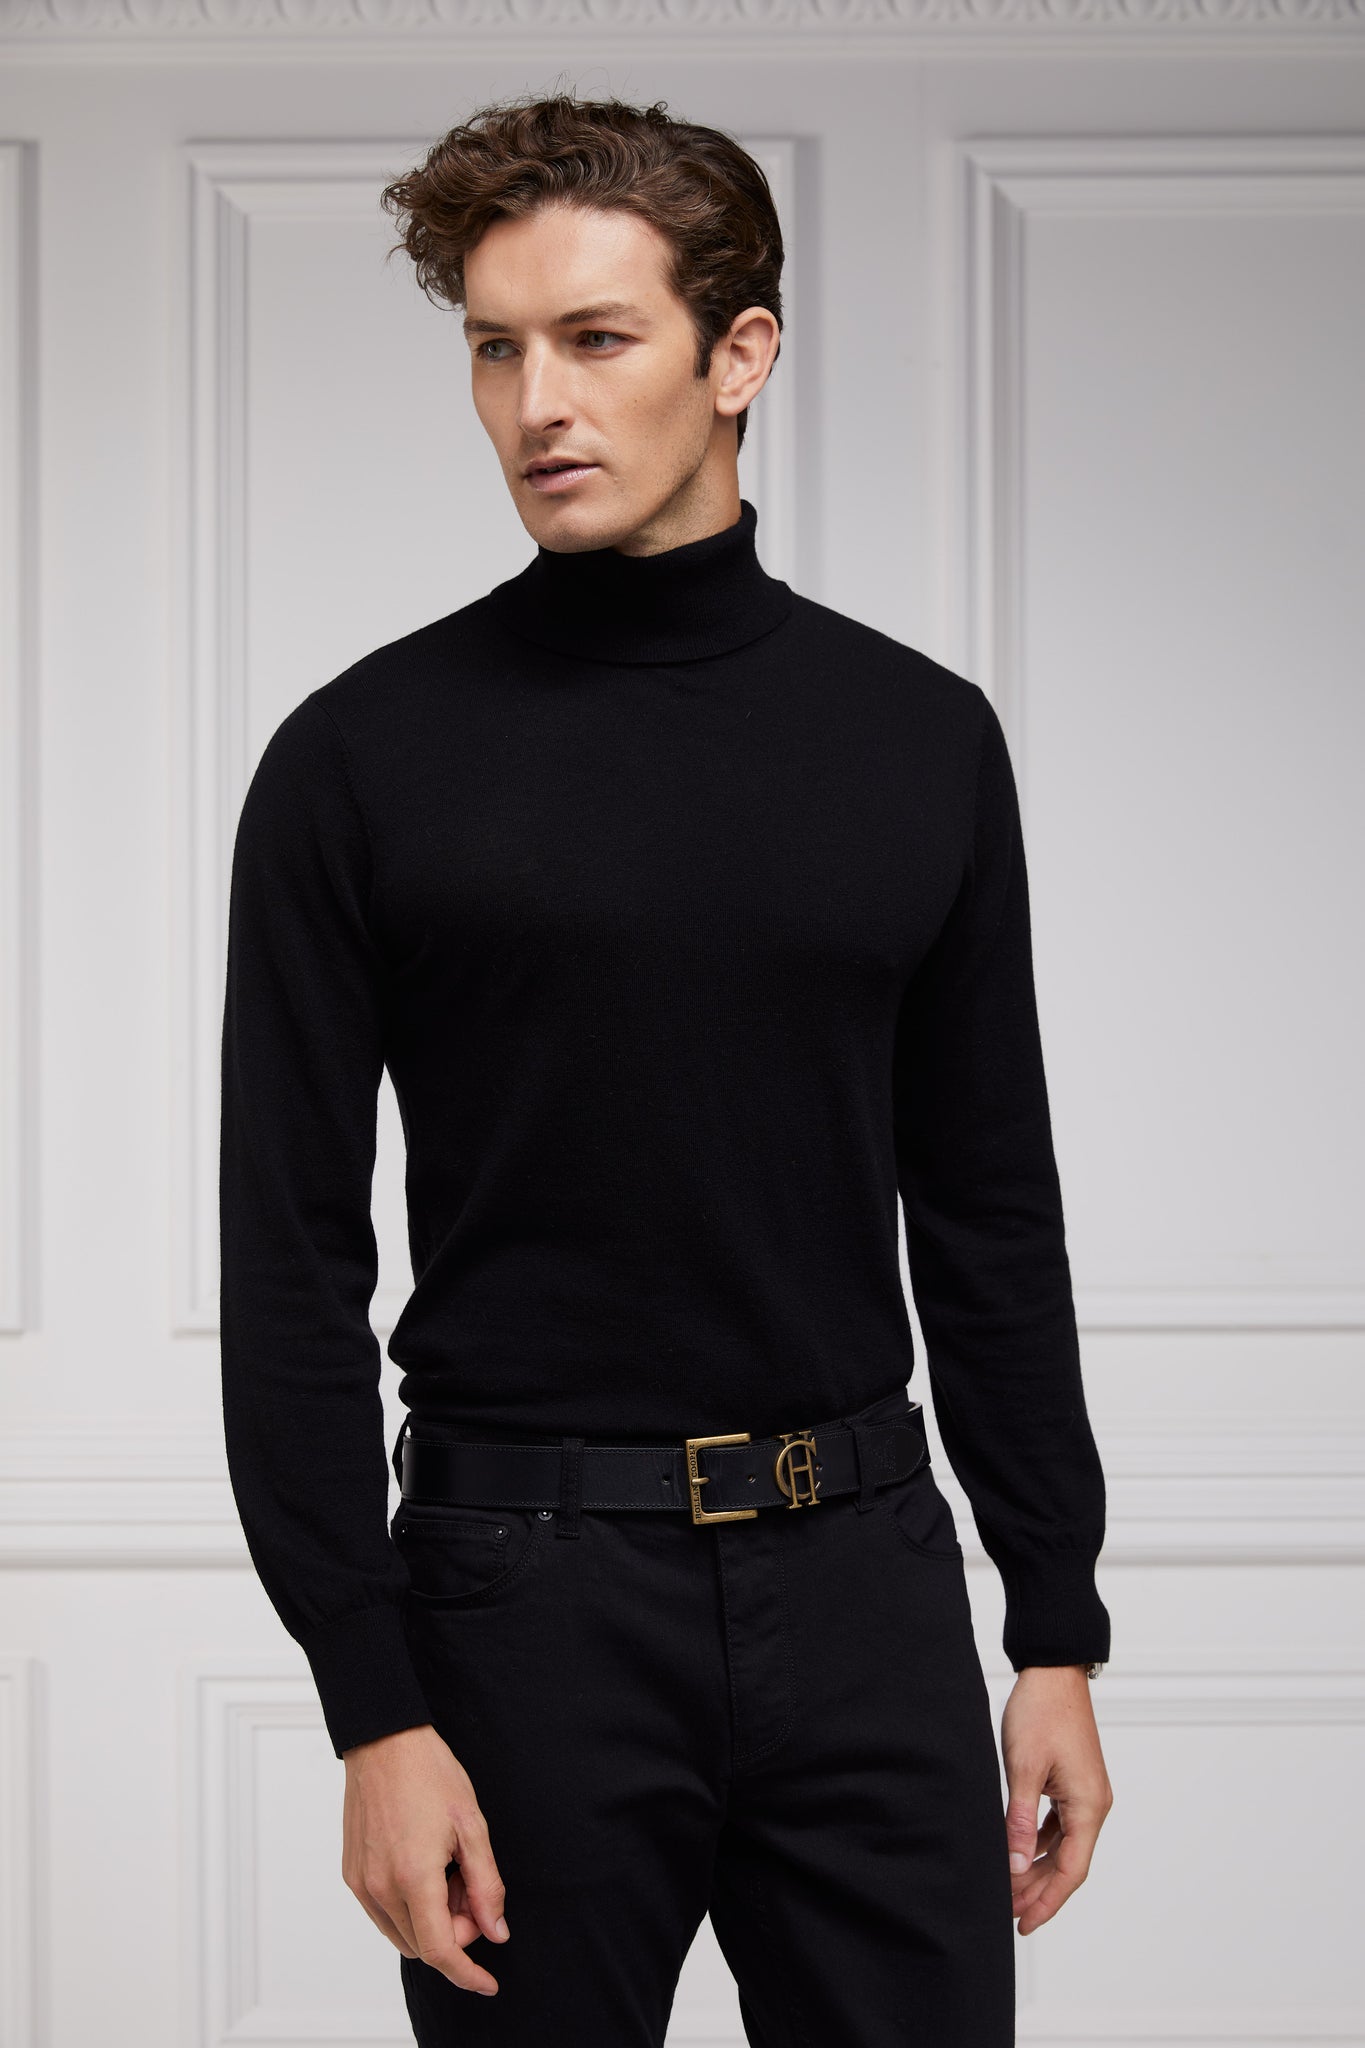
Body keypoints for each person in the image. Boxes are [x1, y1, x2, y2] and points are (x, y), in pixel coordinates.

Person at [218, 87, 1113, 2047]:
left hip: (865, 1586)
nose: (536, 404)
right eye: (494, 348)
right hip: (517, 1606)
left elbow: (987, 1210)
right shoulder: (358, 763)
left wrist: (1051, 1620)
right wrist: (371, 1704)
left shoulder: (918, 742)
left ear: (737, 355)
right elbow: (286, 1261)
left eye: (595, 338)